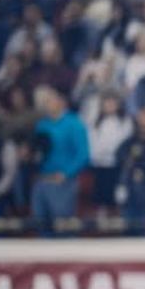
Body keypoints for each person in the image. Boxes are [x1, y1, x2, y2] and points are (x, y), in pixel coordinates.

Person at [31, 86, 89, 231]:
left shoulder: (74, 124)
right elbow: (38, 152)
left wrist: (66, 174)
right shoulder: (41, 125)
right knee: (40, 224)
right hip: (41, 179)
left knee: (63, 226)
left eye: (50, 100)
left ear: (60, 102)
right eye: (44, 102)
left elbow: (83, 155)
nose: (46, 104)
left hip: (62, 182)